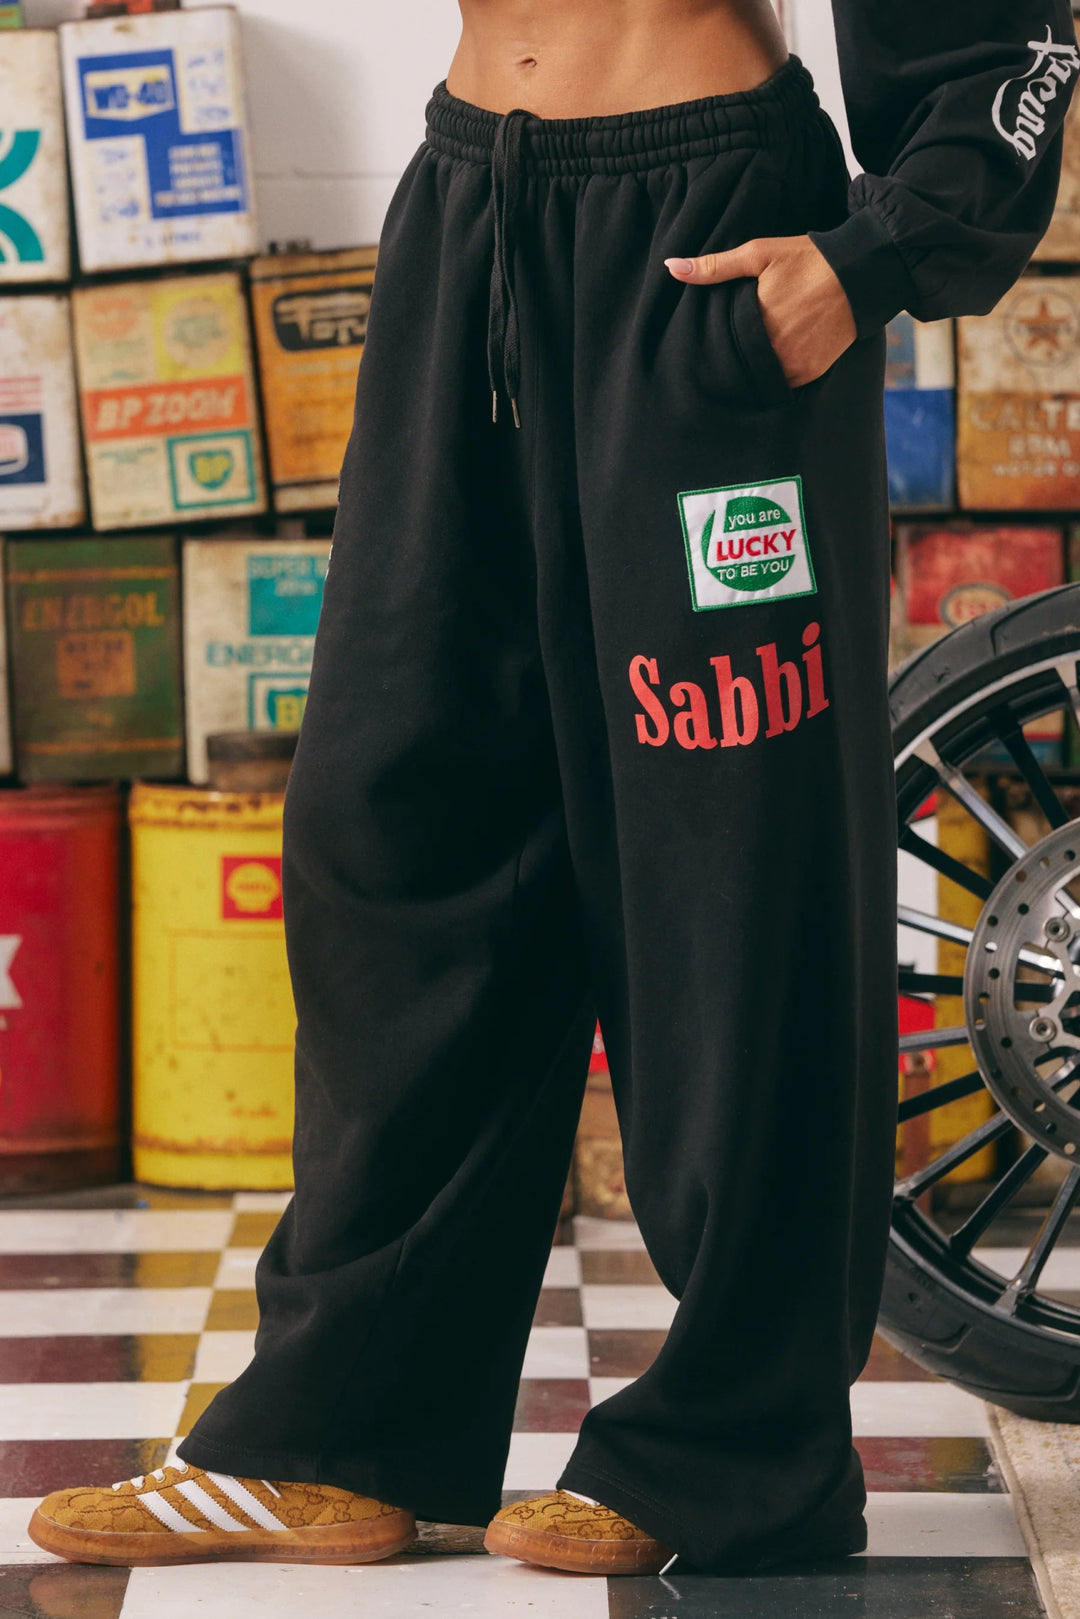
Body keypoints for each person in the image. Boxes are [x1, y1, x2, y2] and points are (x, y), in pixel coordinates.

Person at [30, 0, 1077, 1580]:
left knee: (726, 870)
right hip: (469, 213)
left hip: (709, 243)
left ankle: (746, 1450)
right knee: (393, 830)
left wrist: (868, 258)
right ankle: (339, 1433)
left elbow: (1002, 35)